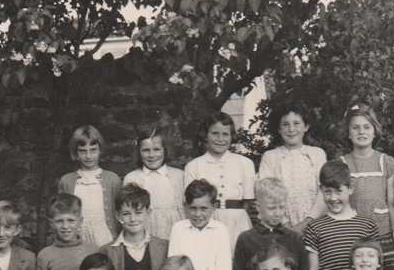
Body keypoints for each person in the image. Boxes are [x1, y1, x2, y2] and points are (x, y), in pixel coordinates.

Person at [183, 111, 255, 251]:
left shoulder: (245, 163)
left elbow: (247, 202)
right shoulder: (194, 166)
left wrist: (237, 220)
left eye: (225, 134)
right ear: (206, 135)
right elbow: (189, 203)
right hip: (207, 219)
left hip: (237, 221)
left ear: (232, 136)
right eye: (215, 133)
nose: (220, 139)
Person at [231, 176, 310, 270]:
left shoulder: (294, 238)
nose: (278, 213)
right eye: (272, 208)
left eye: (282, 207)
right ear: (258, 206)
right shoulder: (246, 239)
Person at [257, 103, 327, 231]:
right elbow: (266, 193)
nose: (291, 129)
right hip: (280, 227)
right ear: (278, 129)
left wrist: (306, 223)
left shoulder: (317, 154)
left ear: (306, 126)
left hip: (314, 225)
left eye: (296, 123)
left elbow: (324, 191)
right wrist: (286, 225)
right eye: (285, 124)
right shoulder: (270, 157)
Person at [338, 102, 394, 235]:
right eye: (355, 128)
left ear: (374, 132)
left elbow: (392, 202)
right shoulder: (342, 164)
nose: (361, 132)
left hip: (381, 230)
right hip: (352, 230)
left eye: (366, 127)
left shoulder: (386, 162)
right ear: (348, 133)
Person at [58, 125, 120, 247]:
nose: (88, 156)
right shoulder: (66, 181)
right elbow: (61, 213)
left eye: (93, 150)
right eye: (83, 151)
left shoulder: (112, 179)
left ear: (100, 150)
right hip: (78, 237)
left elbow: (119, 212)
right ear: (75, 153)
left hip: (105, 236)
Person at [122, 125, 185, 240]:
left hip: (174, 232)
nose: (151, 155)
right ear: (139, 153)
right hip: (145, 232)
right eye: (146, 150)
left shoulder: (179, 176)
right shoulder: (132, 178)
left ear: (165, 150)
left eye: (156, 149)